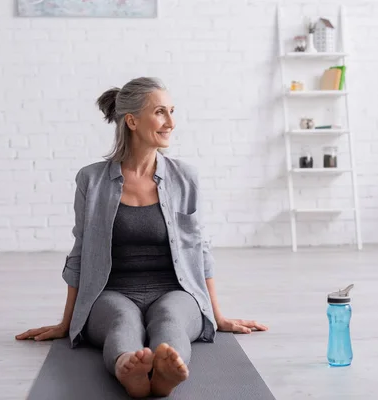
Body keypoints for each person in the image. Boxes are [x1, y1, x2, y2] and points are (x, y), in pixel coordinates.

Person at [15, 77, 268, 398]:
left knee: (171, 320)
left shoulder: (185, 177)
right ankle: (128, 369)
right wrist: (67, 323)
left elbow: (199, 250)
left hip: (175, 291)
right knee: (122, 322)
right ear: (132, 121)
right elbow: (80, 254)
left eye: (172, 111)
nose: (171, 122)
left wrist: (218, 317)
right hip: (111, 292)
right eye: (160, 112)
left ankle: (166, 374)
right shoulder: (91, 180)